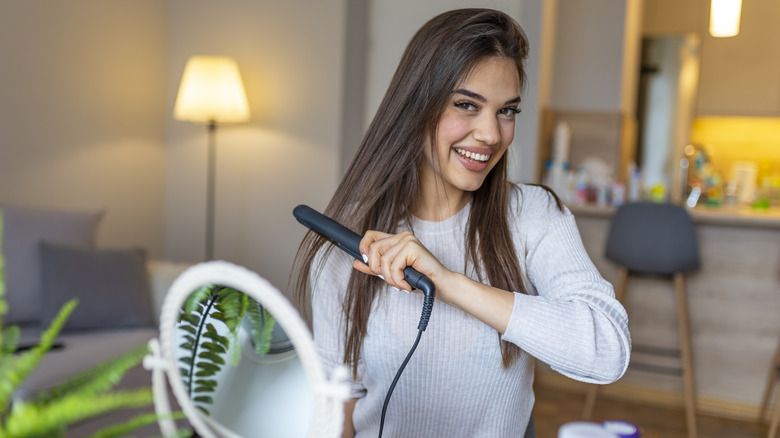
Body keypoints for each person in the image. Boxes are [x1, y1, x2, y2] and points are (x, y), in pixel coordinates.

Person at [293, 8, 630, 438]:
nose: (491, 134)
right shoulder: (354, 238)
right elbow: (338, 401)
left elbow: (607, 352)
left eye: (507, 111)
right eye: (467, 105)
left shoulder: (532, 215)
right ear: (417, 106)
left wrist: (448, 282)